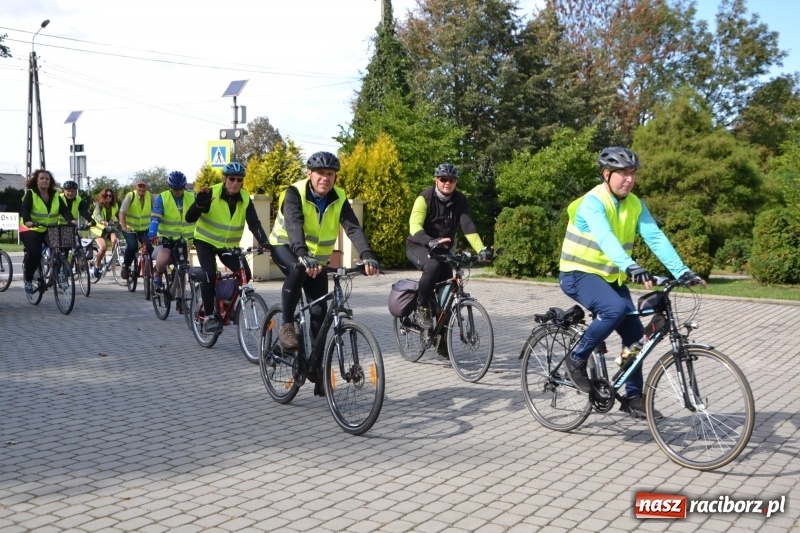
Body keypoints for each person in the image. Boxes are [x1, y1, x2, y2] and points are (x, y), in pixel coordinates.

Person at [559, 146, 706, 419]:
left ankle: (634, 397)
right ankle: (577, 358)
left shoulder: (635, 204)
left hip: (611, 278)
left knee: (636, 338)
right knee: (614, 309)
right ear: (606, 174)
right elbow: (605, 237)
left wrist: (682, 271)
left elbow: (656, 237)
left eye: (632, 173)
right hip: (577, 274)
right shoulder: (592, 202)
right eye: (622, 173)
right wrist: (630, 265)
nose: (628, 179)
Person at [269, 151, 379, 395]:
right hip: (286, 246)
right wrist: (302, 254)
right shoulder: (293, 193)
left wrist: (367, 255)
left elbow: (353, 228)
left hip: (316, 259)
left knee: (319, 312)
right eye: (320, 173)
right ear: (310, 174)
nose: (325, 178)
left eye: (330, 174)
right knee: (297, 271)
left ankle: (316, 367)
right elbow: (294, 224)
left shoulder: (339, 198)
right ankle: (287, 324)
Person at [185, 162, 270, 333]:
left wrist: (264, 241)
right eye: (232, 179)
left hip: (228, 245)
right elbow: (189, 218)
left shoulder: (245, 198)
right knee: (209, 273)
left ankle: (224, 303)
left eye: (239, 180)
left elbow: (254, 223)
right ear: (224, 179)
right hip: (205, 242)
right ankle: (209, 316)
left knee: (245, 273)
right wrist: (200, 205)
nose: (235, 183)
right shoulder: (211, 193)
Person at [406, 163, 491, 329]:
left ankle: (443, 342)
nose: (447, 182)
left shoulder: (460, 201)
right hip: (418, 246)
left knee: (447, 292)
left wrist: (482, 250)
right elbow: (414, 226)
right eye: (443, 179)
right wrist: (430, 241)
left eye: (451, 179)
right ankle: (422, 306)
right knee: (432, 266)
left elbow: (468, 227)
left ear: (456, 182)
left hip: (442, 251)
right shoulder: (425, 198)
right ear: (436, 180)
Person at [19, 170, 76, 294]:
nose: (45, 181)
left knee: (62, 248)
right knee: (35, 253)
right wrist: (28, 221)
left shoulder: (55, 195)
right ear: (37, 180)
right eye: (42, 178)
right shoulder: (31, 194)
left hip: (50, 228)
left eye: (47, 179)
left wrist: (71, 219)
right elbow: (25, 209)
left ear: (50, 181)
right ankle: (28, 280)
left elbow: (64, 210)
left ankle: (60, 274)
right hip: (31, 229)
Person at [147, 171, 195, 300]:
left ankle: (181, 298)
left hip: (183, 239)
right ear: (170, 187)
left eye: (180, 188)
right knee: (164, 257)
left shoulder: (191, 197)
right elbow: (155, 217)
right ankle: (158, 274)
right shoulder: (162, 198)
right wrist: (152, 232)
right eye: (175, 189)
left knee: (182, 267)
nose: (178, 191)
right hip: (166, 238)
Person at [119, 177, 153, 280]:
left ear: (147, 187)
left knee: (150, 247)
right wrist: (124, 227)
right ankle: (126, 265)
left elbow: (158, 209)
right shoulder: (130, 196)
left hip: (144, 229)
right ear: (135, 186)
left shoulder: (150, 196)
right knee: (133, 246)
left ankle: (151, 270)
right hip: (130, 228)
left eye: (144, 186)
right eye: (139, 186)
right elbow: (122, 213)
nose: (141, 189)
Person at [90, 187, 119, 279]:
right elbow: (97, 215)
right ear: (103, 196)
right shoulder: (99, 205)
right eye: (106, 196)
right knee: (103, 248)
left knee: (115, 240)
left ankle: (113, 259)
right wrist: (102, 221)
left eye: (110, 196)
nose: (108, 198)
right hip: (97, 230)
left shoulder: (115, 206)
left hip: (108, 228)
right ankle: (96, 266)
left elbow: (117, 216)